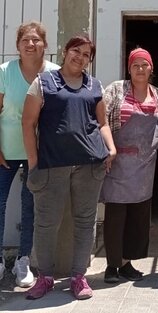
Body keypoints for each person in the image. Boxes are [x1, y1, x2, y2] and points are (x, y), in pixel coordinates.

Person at [22, 34, 116, 300]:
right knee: (46, 223)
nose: (80, 57)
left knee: (85, 222)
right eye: (77, 51)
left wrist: (111, 148)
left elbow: (103, 123)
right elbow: (28, 123)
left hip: (90, 165)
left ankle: (78, 277)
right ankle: (45, 277)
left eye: (87, 55)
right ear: (66, 51)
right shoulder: (43, 82)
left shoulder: (94, 85)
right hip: (51, 166)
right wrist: (33, 162)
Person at [100, 48, 158, 283]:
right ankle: (111, 266)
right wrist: (108, 149)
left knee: (138, 218)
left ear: (151, 68)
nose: (140, 69)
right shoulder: (115, 90)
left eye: (144, 64)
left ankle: (127, 263)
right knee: (116, 217)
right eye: (135, 65)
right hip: (117, 163)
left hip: (144, 167)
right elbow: (102, 120)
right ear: (128, 69)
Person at [0, 21, 59, 287]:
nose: (30, 44)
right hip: (5, 152)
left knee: (29, 207)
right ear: (17, 45)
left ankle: (23, 260)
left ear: (45, 45)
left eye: (36, 39)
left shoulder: (55, 74)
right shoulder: (4, 72)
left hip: (39, 155)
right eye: (25, 40)